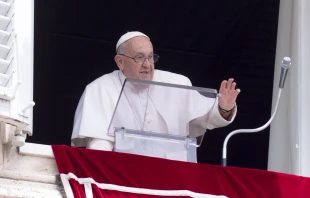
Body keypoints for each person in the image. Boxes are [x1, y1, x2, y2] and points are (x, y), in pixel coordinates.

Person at [71, 31, 241, 151]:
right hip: (123, 175)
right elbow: (99, 144)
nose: (147, 65)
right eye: (139, 58)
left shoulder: (177, 83)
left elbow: (206, 119)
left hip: (172, 173)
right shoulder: (100, 88)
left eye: (151, 57)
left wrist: (224, 108)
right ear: (120, 62)